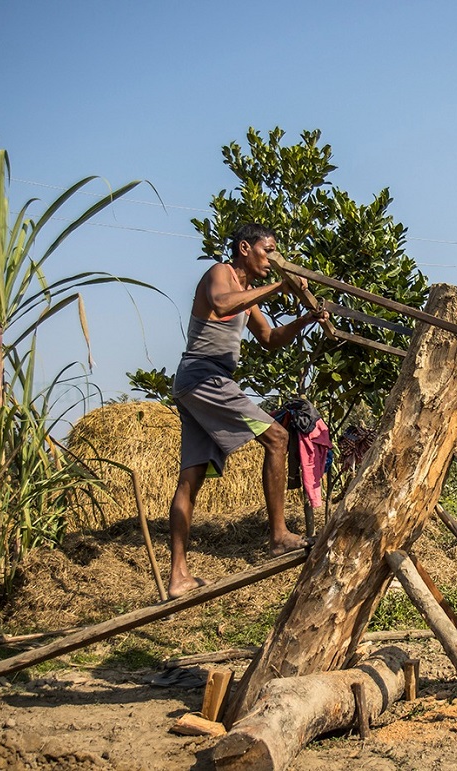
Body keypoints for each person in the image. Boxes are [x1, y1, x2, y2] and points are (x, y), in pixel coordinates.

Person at [167, 223, 328, 599]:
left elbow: (270, 339)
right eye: (267, 251)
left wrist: (305, 320)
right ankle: (277, 536)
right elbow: (222, 304)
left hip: (199, 383)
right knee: (278, 436)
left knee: (190, 478)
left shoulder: (247, 295)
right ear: (244, 248)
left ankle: (178, 577)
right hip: (204, 377)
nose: (272, 260)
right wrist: (281, 286)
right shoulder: (219, 274)